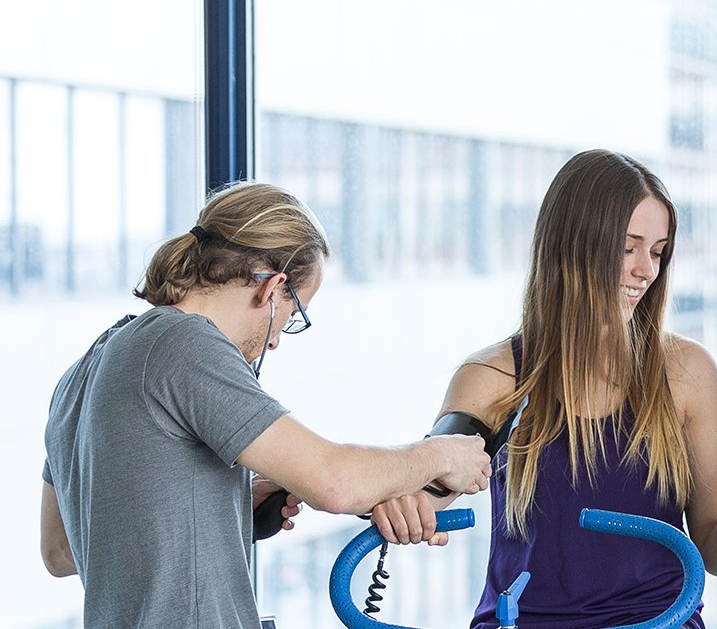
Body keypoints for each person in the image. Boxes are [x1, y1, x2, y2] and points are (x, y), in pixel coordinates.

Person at [39, 181, 494, 628]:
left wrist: (224, 506)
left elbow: (60, 551)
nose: (275, 342)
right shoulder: (184, 343)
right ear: (272, 287)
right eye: (293, 315)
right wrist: (443, 453)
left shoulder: (84, 371)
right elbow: (336, 482)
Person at [367, 149, 717, 628]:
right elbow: (433, 484)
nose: (648, 270)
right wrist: (407, 505)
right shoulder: (493, 378)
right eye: (628, 248)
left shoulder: (687, 372)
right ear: (574, 246)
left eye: (658, 251)